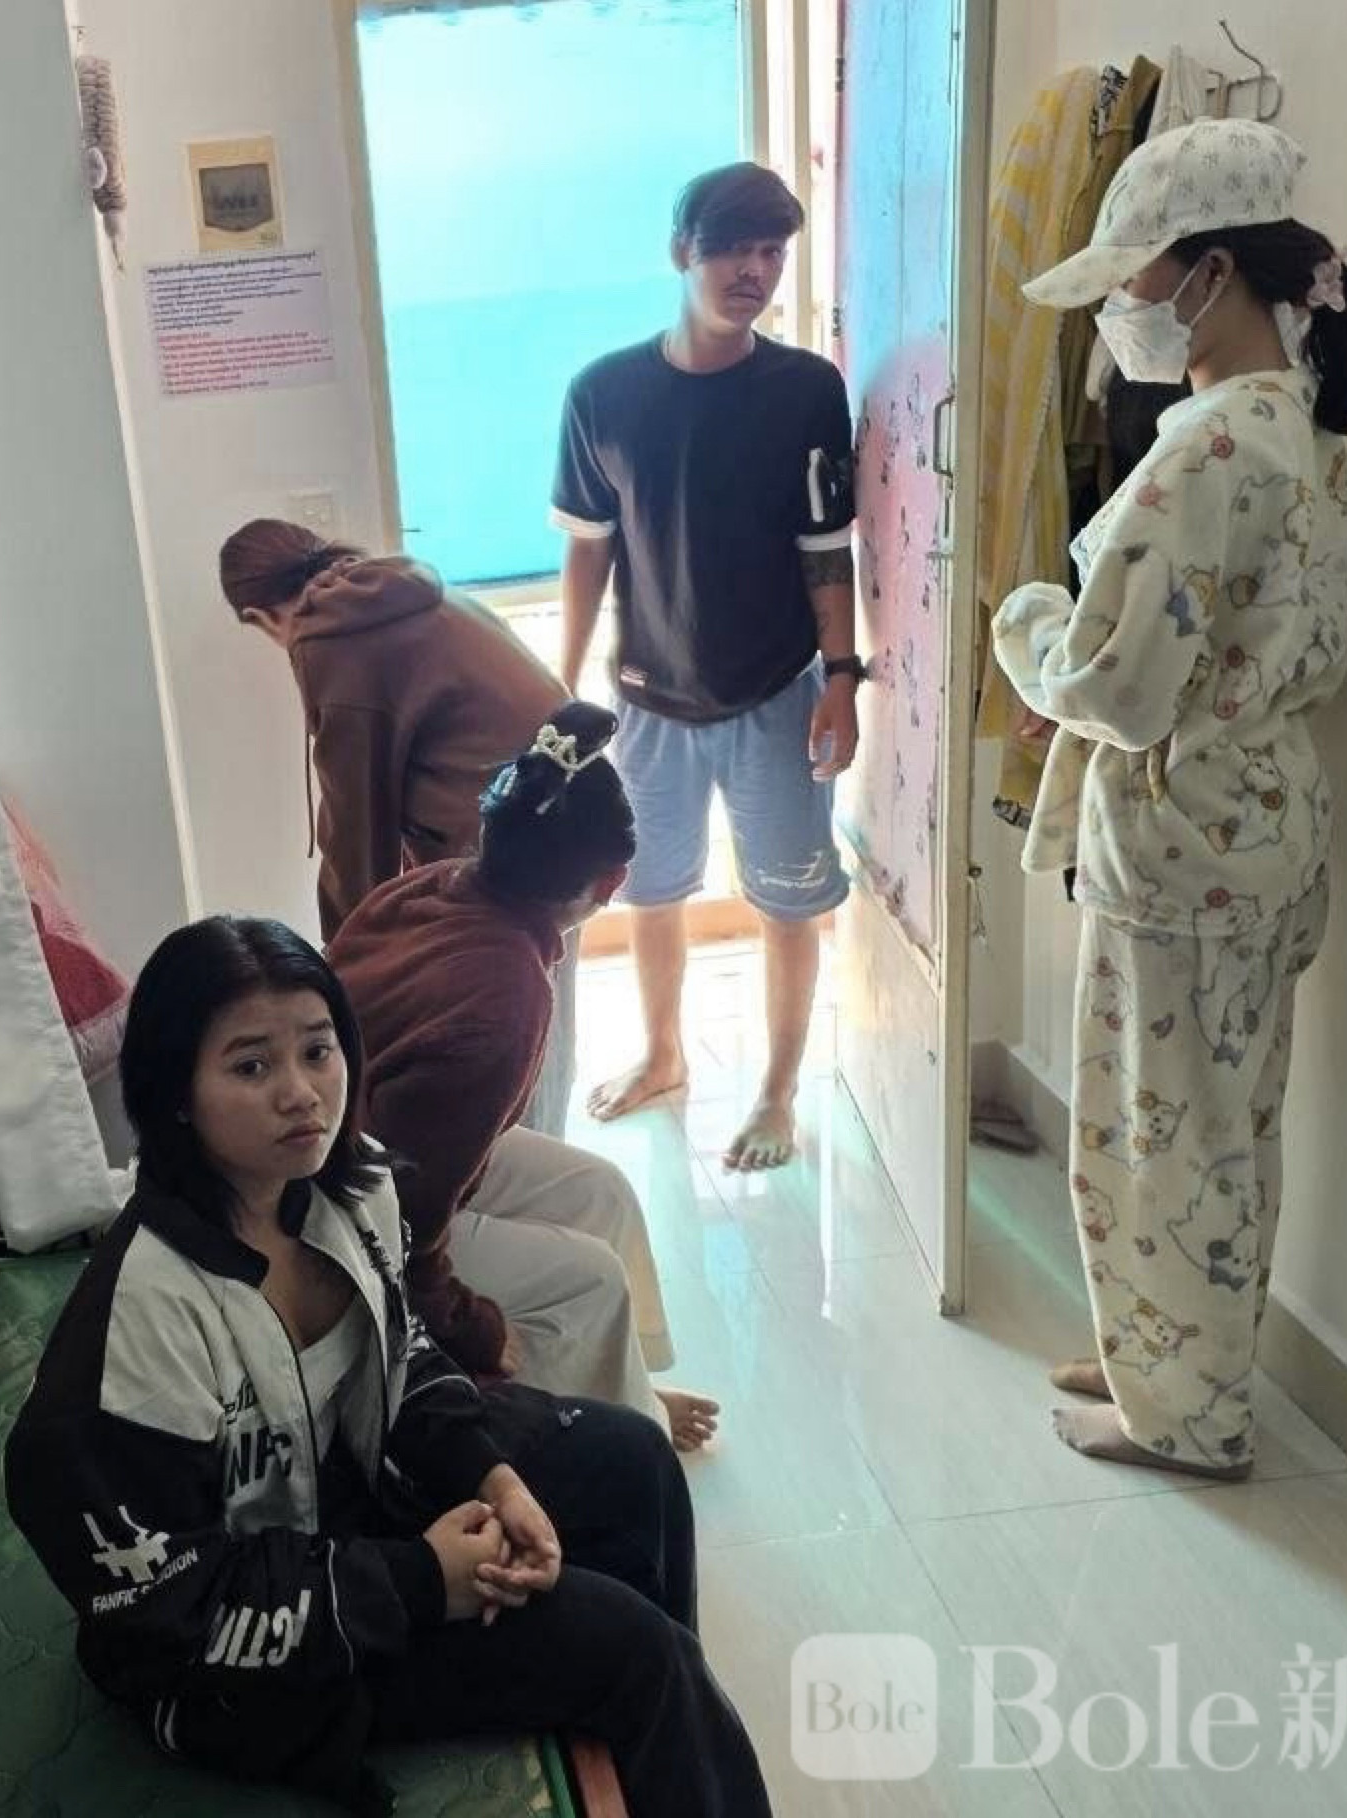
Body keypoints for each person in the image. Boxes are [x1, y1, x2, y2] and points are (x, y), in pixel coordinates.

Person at [4, 917, 772, 1818]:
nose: (301, 1094)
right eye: (251, 1067)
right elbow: (173, 1614)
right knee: (638, 1654)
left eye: (317, 1051)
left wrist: (494, 1478)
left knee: (633, 1459)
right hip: (248, 1659)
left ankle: (659, 1744)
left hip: (359, 1500)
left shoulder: (349, 1185)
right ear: (177, 1093)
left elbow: (400, 1355)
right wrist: (422, 1580)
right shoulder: (135, 1336)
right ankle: (653, 1702)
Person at [995, 118, 1347, 1479]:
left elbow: (1112, 684)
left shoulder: (1209, 450)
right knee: (1218, 1126)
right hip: (1259, 823)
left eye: (1134, 275)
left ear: (1210, 273)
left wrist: (1026, 623)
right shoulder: (1296, 430)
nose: (1122, 307)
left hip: (1181, 842)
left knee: (1155, 1137)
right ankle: (1161, 1356)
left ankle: (1186, 1415)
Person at [552, 163, 865, 1170]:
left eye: (773, 250)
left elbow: (826, 549)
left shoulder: (806, 390)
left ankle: (776, 1094)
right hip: (646, 699)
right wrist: (560, 692)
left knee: (788, 902)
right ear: (681, 251)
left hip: (777, 691)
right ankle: (661, 1055)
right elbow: (588, 552)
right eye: (733, 247)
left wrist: (843, 678)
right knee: (648, 891)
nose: (754, 270)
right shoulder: (603, 393)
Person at [327, 701, 719, 1452]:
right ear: (613, 882)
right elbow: (404, 1220)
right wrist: (471, 1326)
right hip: (349, 1212)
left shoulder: (435, 884)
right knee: (590, 1280)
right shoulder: (502, 999)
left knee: (601, 1193)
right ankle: (613, 1447)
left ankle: (624, 1388)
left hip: (378, 1144)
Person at [222, 520, 581, 1132]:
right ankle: (537, 1147)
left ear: (260, 617)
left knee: (502, 1041)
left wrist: (345, 965)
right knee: (541, 1021)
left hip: (508, 848)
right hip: (570, 817)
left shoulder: (331, 639)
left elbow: (354, 826)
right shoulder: (394, 589)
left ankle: (510, 1164)